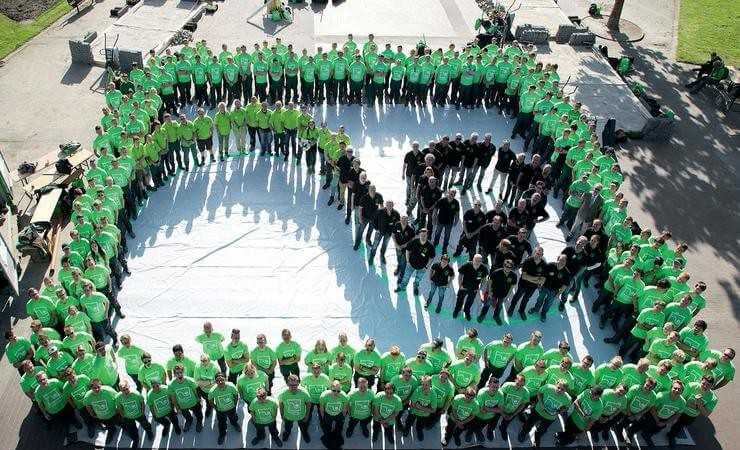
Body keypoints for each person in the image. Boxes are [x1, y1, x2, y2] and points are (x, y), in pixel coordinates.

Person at [518, 379, 572, 446]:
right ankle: (523, 433)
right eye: (558, 387)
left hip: (550, 417)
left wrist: (559, 411)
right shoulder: (548, 387)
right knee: (529, 424)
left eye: (562, 389)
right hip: (538, 411)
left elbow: (566, 407)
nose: (559, 390)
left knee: (542, 430)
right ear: (556, 384)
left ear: (566, 390)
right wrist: (541, 403)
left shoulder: (567, 399)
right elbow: (539, 393)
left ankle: (536, 440)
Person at [528, 254, 571, 322]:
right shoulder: (550, 265)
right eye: (561, 260)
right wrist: (539, 284)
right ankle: (536, 309)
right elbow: (542, 275)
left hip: (554, 291)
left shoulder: (567, 272)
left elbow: (565, 285)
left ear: (566, 262)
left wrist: (559, 293)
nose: (562, 262)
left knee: (548, 303)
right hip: (544, 287)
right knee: (540, 299)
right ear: (558, 259)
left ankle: (543, 313)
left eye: (564, 261)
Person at [508, 246, 547, 320]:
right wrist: (536, 279)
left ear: (542, 255)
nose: (538, 255)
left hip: (532, 287)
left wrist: (531, 279)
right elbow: (524, 276)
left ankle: (521, 310)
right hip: (523, 284)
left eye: (540, 254)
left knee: (526, 299)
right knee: (517, 296)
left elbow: (542, 280)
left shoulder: (544, 265)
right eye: (537, 253)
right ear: (534, 253)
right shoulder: (528, 261)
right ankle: (511, 307)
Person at [396, 228, 436, 295]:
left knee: (418, 279)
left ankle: (415, 287)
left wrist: (426, 266)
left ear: (427, 235)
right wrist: (408, 260)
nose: (423, 236)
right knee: (406, 277)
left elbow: (432, 258)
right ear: (420, 235)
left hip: (422, 267)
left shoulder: (430, 246)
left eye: (424, 235)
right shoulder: (414, 241)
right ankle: (402, 287)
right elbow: (407, 250)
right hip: (411, 264)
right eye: (422, 235)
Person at [115, 380, 154, 444]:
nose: (125, 392)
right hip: (128, 417)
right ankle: (136, 439)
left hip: (139, 414)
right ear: (120, 390)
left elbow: (142, 403)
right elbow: (119, 407)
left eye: (126, 389)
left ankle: (149, 432)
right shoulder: (118, 397)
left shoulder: (136, 394)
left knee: (145, 424)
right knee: (132, 428)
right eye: (123, 390)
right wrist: (123, 415)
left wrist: (142, 412)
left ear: (129, 386)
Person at [168, 363, 203, 433]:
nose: (179, 374)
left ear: (183, 372)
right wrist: (177, 408)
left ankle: (199, 423)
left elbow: (196, 391)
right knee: (186, 416)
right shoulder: (171, 385)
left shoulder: (190, 380)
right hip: (183, 406)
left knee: (199, 415)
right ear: (174, 374)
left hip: (194, 403)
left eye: (181, 372)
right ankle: (189, 421)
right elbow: (173, 398)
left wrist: (200, 400)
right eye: (177, 373)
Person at [453, 254, 489, 320]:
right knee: (459, 300)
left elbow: (484, 278)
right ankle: (457, 310)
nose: (478, 262)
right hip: (464, 287)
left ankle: (466, 311)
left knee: (470, 301)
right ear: (473, 260)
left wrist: (480, 288)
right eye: (476, 260)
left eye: (479, 261)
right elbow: (460, 275)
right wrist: (460, 285)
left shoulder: (483, 268)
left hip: (474, 289)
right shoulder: (467, 265)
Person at [403, 375, 438, 441]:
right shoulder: (418, 390)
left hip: (424, 415)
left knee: (420, 425)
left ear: (430, 384)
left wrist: (420, 407)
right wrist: (427, 409)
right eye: (423, 384)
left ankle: (419, 431)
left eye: (426, 385)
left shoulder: (433, 394)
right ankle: (406, 430)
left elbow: (433, 410)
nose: (424, 387)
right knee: (408, 422)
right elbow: (413, 404)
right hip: (414, 412)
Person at [209, 372, 241, 444]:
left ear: (225, 379)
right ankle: (222, 434)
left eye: (222, 379)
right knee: (221, 423)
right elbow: (210, 400)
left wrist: (234, 404)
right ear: (215, 381)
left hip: (231, 408)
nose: (220, 382)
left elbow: (236, 395)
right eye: (218, 380)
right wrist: (216, 407)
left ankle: (235, 424)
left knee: (233, 417)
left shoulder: (231, 386)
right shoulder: (213, 391)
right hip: (220, 410)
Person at [279, 373, 311, 443]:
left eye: (295, 385)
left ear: (298, 383)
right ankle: (287, 434)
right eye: (291, 385)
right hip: (288, 417)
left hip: (301, 416)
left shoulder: (304, 393)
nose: (293, 387)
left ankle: (305, 434)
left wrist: (307, 415)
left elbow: (308, 404)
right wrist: (282, 414)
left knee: (303, 427)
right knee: (287, 428)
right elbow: (281, 404)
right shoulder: (283, 394)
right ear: (287, 384)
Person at [319, 380, 348, 447]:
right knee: (328, 427)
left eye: (338, 391)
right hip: (328, 414)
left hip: (339, 414)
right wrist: (323, 417)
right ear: (330, 388)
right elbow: (322, 408)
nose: (336, 393)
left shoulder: (344, 396)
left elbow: (344, 409)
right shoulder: (324, 396)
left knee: (339, 427)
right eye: (334, 390)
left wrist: (342, 417)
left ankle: (338, 433)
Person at [433, 189, 460, 254]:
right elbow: (436, 209)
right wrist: (434, 218)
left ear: (454, 195)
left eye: (453, 194)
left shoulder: (456, 203)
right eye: (451, 193)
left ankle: (444, 248)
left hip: (449, 223)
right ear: (448, 193)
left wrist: (456, 221)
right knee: (437, 233)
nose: (451, 195)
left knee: (447, 236)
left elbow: (457, 213)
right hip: (440, 221)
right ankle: (435, 243)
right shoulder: (442, 200)